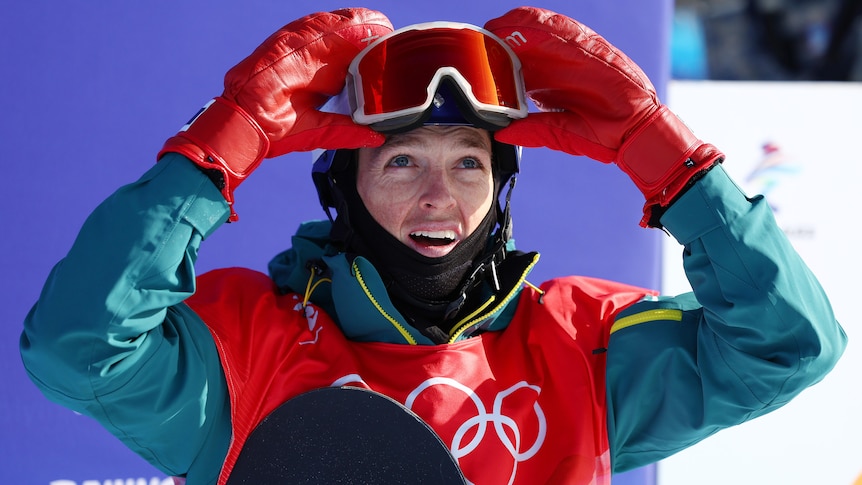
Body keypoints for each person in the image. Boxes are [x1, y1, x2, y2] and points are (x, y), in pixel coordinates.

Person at [19, 6, 847, 485]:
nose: (438, 196)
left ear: (502, 189)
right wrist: (218, 148)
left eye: (469, 164)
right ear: (341, 186)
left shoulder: (578, 342)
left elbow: (790, 344)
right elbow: (75, 348)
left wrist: (664, 157)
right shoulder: (247, 345)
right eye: (402, 159)